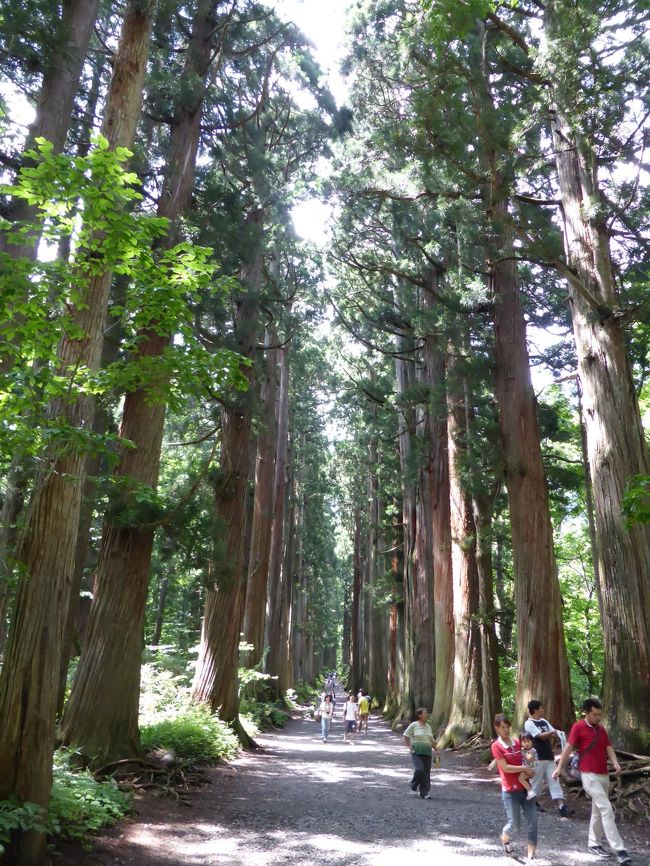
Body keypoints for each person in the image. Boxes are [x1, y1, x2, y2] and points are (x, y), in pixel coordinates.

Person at [553, 698, 632, 865]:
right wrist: (559, 768)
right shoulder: (578, 727)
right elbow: (568, 748)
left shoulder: (601, 729)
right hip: (588, 775)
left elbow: (608, 747)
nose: (598, 717)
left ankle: (594, 844)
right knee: (606, 808)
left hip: (603, 775)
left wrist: (616, 763)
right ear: (586, 713)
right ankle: (619, 849)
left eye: (600, 714)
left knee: (598, 810)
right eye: (595, 714)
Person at [491, 713, 538, 864]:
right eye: (502, 727)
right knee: (514, 825)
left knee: (533, 821)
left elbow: (528, 757)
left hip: (526, 788)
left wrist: (531, 767)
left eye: (508, 727)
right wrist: (522, 767)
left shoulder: (518, 743)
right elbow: (505, 767)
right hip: (510, 790)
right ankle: (505, 837)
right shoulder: (496, 746)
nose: (506, 730)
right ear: (497, 728)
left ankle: (531, 858)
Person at [524, 699, 573, 817]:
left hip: (549, 757)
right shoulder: (529, 723)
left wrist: (558, 733)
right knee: (536, 782)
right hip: (536, 758)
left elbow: (552, 732)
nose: (543, 710)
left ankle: (562, 807)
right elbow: (539, 736)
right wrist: (552, 733)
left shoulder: (544, 721)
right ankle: (532, 803)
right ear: (535, 710)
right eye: (541, 708)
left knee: (554, 781)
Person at [403, 707, 439, 800]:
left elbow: (431, 740)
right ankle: (413, 786)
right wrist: (409, 748)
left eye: (427, 713)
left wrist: (436, 750)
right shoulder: (414, 725)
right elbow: (405, 736)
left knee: (426, 773)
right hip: (417, 751)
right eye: (425, 713)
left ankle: (424, 792)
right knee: (419, 770)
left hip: (427, 752)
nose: (427, 715)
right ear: (419, 715)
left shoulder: (428, 726)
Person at [518, 732, 538, 800]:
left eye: (528, 741)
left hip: (532, 769)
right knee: (521, 778)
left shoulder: (532, 750)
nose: (527, 743)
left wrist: (523, 753)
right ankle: (529, 791)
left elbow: (530, 759)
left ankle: (530, 791)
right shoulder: (524, 750)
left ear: (532, 741)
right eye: (524, 742)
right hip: (527, 769)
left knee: (520, 778)